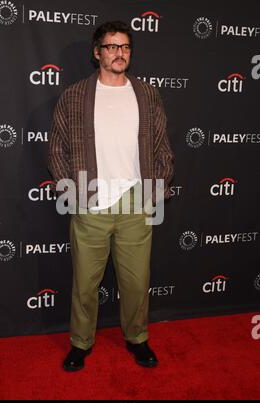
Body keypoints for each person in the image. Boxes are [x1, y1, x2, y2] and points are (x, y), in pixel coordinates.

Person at [48, 21, 174, 371]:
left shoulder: (147, 94)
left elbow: (162, 145)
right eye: (112, 46)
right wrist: (69, 189)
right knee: (85, 283)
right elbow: (56, 148)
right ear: (97, 52)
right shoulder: (74, 96)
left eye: (125, 47)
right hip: (91, 201)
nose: (119, 53)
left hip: (137, 201)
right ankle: (80, 342)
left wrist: (157, 187)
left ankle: (138, 338)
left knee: (136, 281)